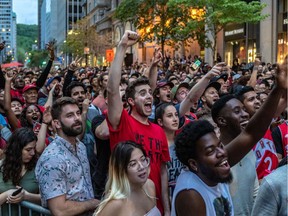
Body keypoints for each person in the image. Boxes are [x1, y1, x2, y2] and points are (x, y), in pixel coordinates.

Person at [171, 58, 287, 216]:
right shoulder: (191, 194)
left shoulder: (212, 168)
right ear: (193, 163)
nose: (222, 153)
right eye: (211, 151)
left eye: (219, 146)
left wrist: (278, 88)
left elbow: (251, 134)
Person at [106, 30, 170, 215]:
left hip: (154, 207)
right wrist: (122, 47)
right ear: (131, 102)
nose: (149, 96)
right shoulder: (122, 123)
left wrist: (166, 208)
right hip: (127, 207)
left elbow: (163, 172)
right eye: (142, 94)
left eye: (150, 93)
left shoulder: (159, 131)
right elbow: (112, 90)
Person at [35, 97, 99, 216]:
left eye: (78, 113)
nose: (77, 118)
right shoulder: (52, 158)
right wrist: (91, 203)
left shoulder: (81, 147)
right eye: (70, 115)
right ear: (57, 123)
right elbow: (59, 210)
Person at [211, 94, 259, 215]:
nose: (245, 114)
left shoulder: (248, 150)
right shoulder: (214, 158)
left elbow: (255, 192)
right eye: (237, 111)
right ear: (222, 121)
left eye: (244, 109)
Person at [95, 141, 160, 216]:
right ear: (121, 170)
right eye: (133, 164)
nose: (141, 167)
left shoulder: (150, 186)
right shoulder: (115, 204)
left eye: (143, 159)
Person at [0, 128, 41, 215]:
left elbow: (50, 199)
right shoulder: (1, 167)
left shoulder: (39, 167)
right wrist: (8, 193)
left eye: (34, 148)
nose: (33, 153)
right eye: (28, 150)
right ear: (16, 149)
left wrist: (28, 196)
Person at [155, 102, 186, 200]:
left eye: (176, 115)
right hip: (164, 196)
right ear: (160, 122)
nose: (175, 119)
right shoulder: (157, 146)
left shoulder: (183, 143)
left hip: (183, 193)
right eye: (169, 116)